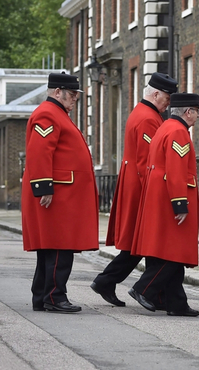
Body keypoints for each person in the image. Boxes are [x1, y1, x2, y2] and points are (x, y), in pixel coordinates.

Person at [91, 73, 178, 307]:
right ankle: (122, 285)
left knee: (138, 243)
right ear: (156, 94)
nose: (169, 102)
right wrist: (153, 194)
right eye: (167, 97)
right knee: (142, 241)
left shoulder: (144, 113)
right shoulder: (149, 118)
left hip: (133, 183)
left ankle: (110, 282)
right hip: (141, 187)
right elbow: (145, 160)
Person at [22, 72, 98, 313]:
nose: (75, 99)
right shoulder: (48, 113)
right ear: (57, 92)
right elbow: (40, 151)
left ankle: (42, 297)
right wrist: (44, 185)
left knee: (51, 248)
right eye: (72, 94)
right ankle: (55, 296)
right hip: (57, 194)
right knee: (59, 247)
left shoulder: (58, 113)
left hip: (63, 193)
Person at [128, 93, 199, 317]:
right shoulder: (179, 132)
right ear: (188, 112)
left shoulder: (165, 126)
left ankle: (177, 303)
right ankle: (144, 288)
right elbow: (176, 169)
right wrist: (180, 202)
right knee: (174, 253)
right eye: (197, 112)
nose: (198, 117)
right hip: (171, 197)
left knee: (169, 250)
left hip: (159, 195)